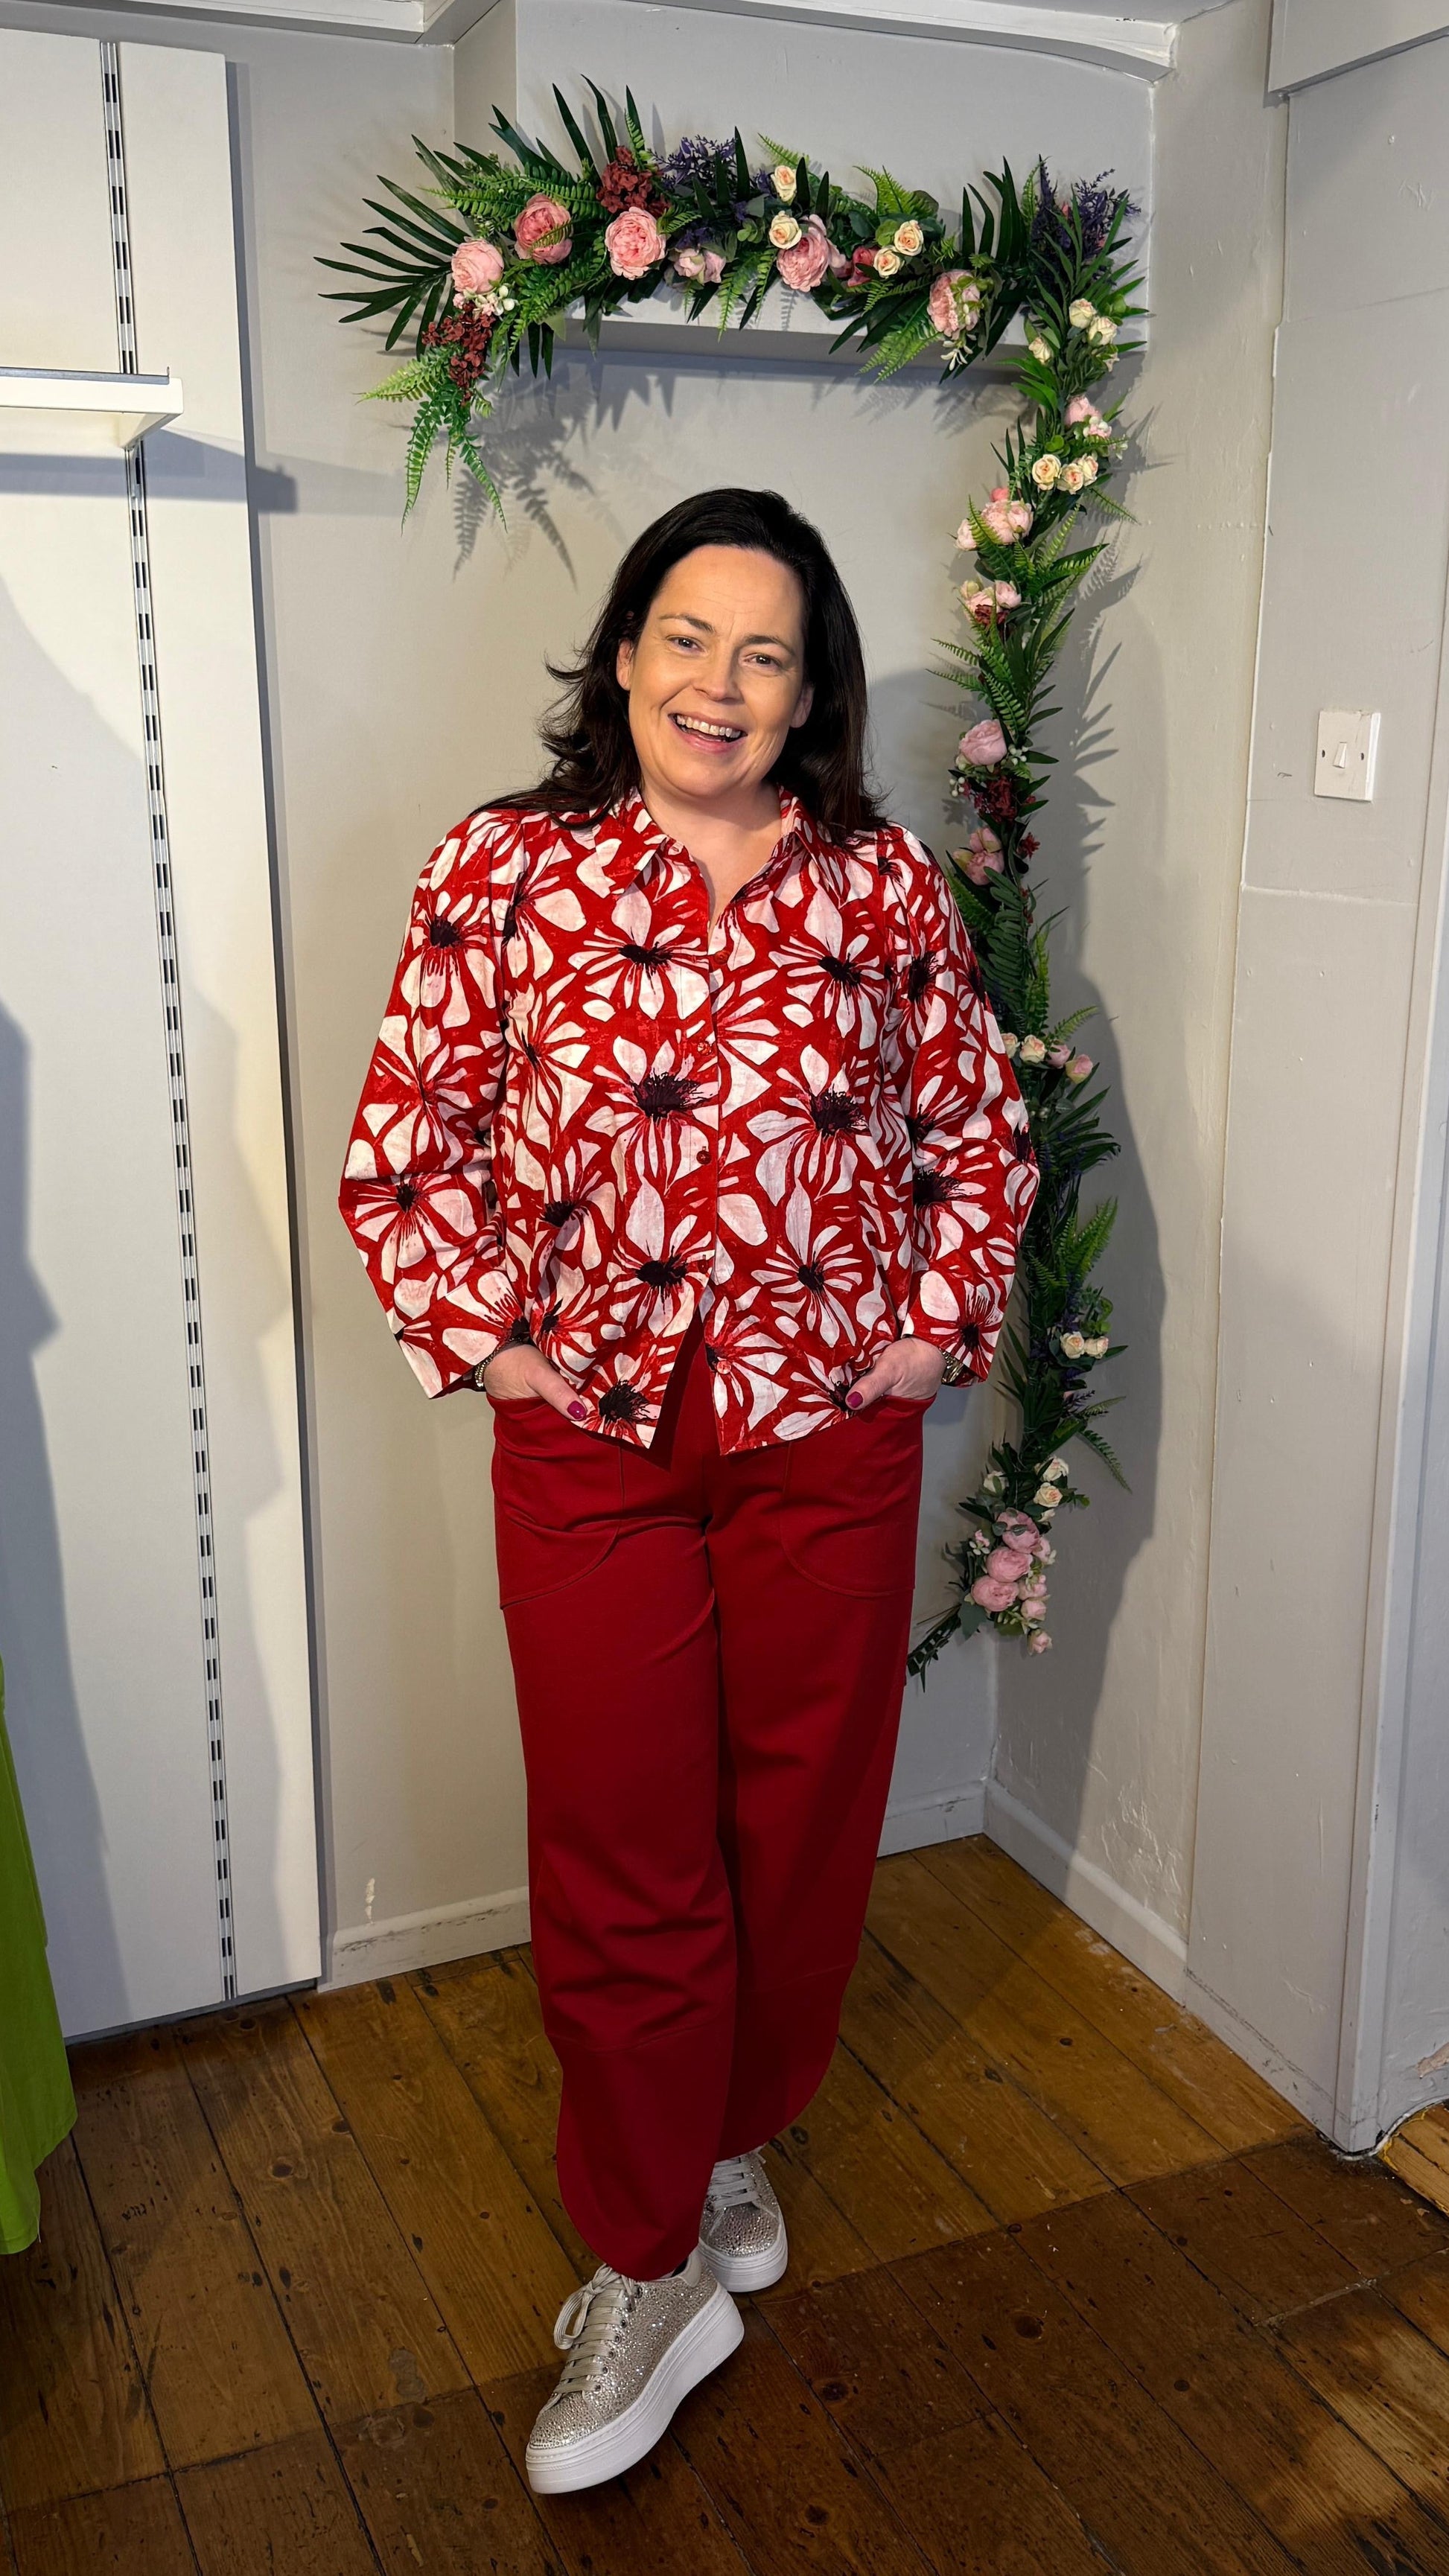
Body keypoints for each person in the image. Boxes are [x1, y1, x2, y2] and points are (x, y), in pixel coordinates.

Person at [340, 487, 1037, 2493]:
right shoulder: (503, 868)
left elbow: (973, 1131)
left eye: (766, 653)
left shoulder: (879, 887)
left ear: (809, 691)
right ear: (625, 653)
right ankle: (647, 2261)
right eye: (686, 637)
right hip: (597, 1446)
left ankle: (730, 2140)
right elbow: (406, 1138)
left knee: (796, 1826)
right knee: (623, 1841)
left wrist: (923, 1330)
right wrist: (494, 1341)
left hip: (826, 1433)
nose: (720, 684)